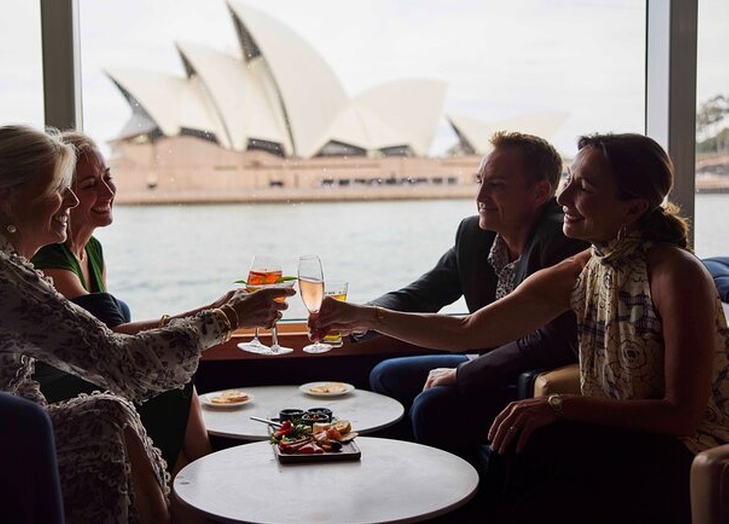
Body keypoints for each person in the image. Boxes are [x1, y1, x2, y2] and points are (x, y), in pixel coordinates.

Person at [311, 133, 729, 523]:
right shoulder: (586, 266)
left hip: (685, 449)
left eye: (583, 188)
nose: (563, 195)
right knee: (520, 440)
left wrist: (558, 407)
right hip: (613, 430)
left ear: (634, 207)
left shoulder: (678, 273)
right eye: (569, 180)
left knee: (525, 444)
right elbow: (469, 331)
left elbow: (681, 416)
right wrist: (364, 315)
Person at [0, 124, 294, 524]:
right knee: (110, 412)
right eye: (57, 188)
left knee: (108, 413)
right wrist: (228, 318)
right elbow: (119, 363)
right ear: (8, 199)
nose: (71, 200)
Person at [363, 131, 588, 463]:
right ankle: (411, 473)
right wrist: (361, 317)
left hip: (537, 375)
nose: (480, 195)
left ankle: (460, 495)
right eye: (480, 181)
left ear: (540, 192)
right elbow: (423, 293)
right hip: (491, 362)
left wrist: (463, 374)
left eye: (496, 185)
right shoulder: (474, 234)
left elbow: (549, 342)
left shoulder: (562, 239)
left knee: (431, 406)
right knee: (385, 374)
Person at [31, 130, 213, 479]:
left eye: (108, 178)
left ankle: (198, 491)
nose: (108, 192)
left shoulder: (92, 251)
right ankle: (204, 491)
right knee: (171, 379)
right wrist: (217, 314)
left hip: (92, 372)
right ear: (63, 196)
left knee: (172, 376)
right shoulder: (50, 257)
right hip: (55, 389)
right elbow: (110, 335)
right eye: (90, 186)